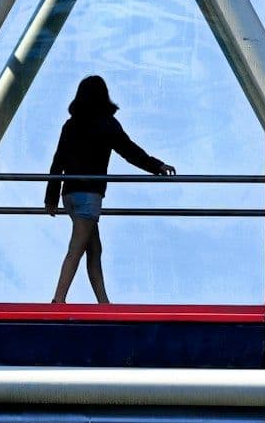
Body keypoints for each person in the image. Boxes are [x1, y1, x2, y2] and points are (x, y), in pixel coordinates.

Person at [45, 75, 175, 305]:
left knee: (94, 248)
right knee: (76, 249)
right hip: (89, 195)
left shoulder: (71, 124)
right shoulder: (106, 123)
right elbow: (130, 151)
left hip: (69, 195)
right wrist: (157, 166)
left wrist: (51, 197)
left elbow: (58, 160)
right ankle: (58, 299)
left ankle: (104, 303)